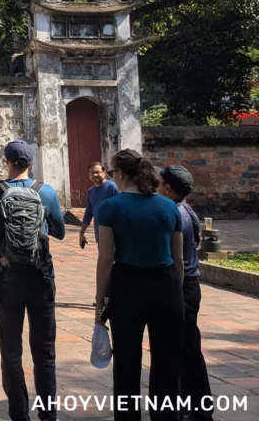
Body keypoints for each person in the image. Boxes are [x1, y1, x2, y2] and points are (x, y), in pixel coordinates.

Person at [0, 140, 65, 421]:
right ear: (31, 164)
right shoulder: (46, 191)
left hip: (7, 278)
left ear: (7, 162)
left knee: (11, 351)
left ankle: (19, 414)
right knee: (45, 352)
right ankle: (48, 415)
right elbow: (60, 232)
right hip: (41, 278)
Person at [95, 150, 184, 421]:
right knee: (167, 362)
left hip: (127, 285)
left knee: (126, 363)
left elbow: (107, 258)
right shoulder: (169, 206)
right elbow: (178, 258)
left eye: (112, 172)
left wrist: (100, 298)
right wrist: (174, 289)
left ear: (120, 174)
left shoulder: (110, 207)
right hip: (166, 283)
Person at [157, 164, 213, 421]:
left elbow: (174, 256)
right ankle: (193, 406)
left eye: (159, 183)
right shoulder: (187, 209)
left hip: (182, 284)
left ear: (167, 188)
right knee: (187, 349)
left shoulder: (174, 213)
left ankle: (195, 409)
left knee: (183, 351)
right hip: (191, 284)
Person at [80, 162, 119, 249]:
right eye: (92, 172)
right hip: (100, 233)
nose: (95, 175)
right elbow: (88, 213)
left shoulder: (112, 187)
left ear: (104, 172)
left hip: (114, 233)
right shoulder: (91, 191)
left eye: (97, 172)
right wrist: (82, 233)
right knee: (103, 257)